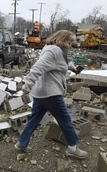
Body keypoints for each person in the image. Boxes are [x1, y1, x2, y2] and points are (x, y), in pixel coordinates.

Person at [14, 30, 88, 159]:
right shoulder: (54, 51)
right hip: (50, 94)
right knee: (65, 120)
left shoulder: (53, 48)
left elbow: (60, 63)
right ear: (62, 40)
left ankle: (22, 143)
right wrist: (27, 85)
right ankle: (73, 148)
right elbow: (38, 67)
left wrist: (72, 67)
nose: (71, 46)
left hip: (41, 93)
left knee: (34, 119)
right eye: (70, 43)